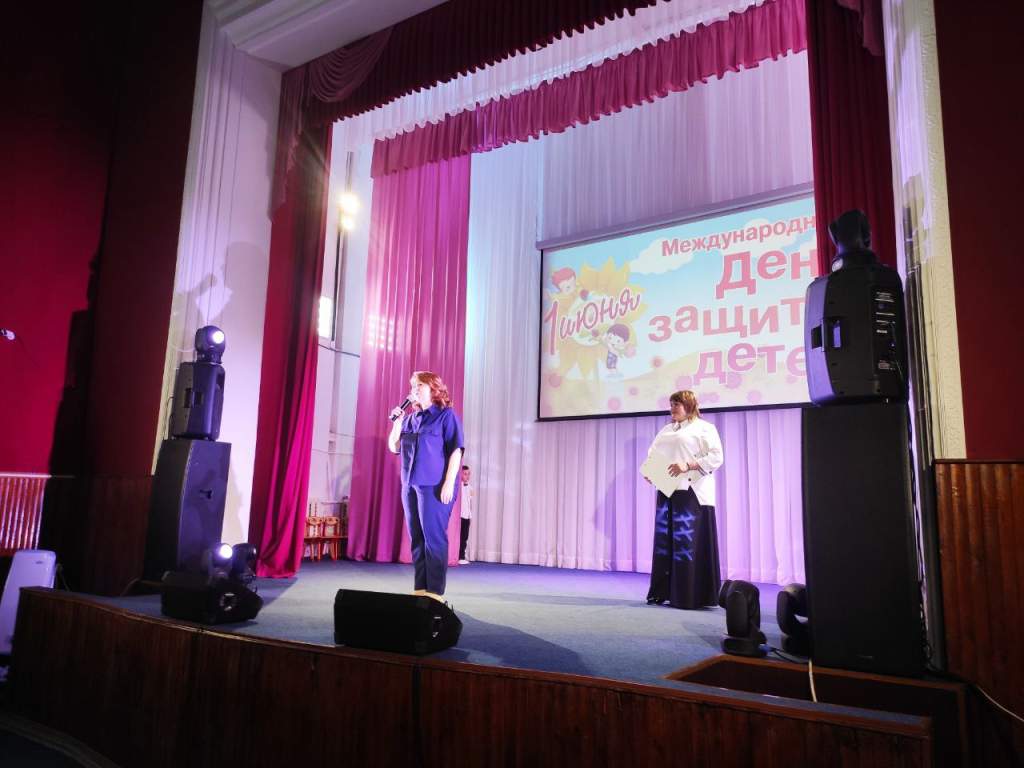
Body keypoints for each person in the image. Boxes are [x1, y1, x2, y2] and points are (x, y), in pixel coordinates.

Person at [643, 390, 724, 609]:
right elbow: (653, 453)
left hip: (692, 491)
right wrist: (651, 471)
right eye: (671, 405)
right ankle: (661, 591)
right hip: (667, 489)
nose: (672, 409)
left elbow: (716, 456)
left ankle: (688, 595)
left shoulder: (705, 428)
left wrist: (688, 465)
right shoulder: (667, 430)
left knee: (685, 544)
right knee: (664, 543)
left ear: (689, 405)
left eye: (676, 404)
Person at [388, 371, 464, 601]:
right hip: (410, 486)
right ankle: (420, 589)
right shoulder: (410, 419)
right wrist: (397, 423)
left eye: (419, 385)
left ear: (433, 389)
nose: (414, 389)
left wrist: (449, 482)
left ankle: (435, 593)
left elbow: (456, 450)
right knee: (417, 538)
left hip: (434, 486)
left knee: (434, 538)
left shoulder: (445, 416)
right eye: (413, 385)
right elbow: (394, 447)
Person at [457, 464, 474, 564]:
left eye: (468, 474)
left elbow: (469, 502)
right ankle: (458, 556)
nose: (467, 476)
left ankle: (462, 556)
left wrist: (470, 515)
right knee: (459, 536)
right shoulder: (458, 487)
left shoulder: (470, 487)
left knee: (465, 537)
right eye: (465, 474)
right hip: (460, 516)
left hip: (467, 515)